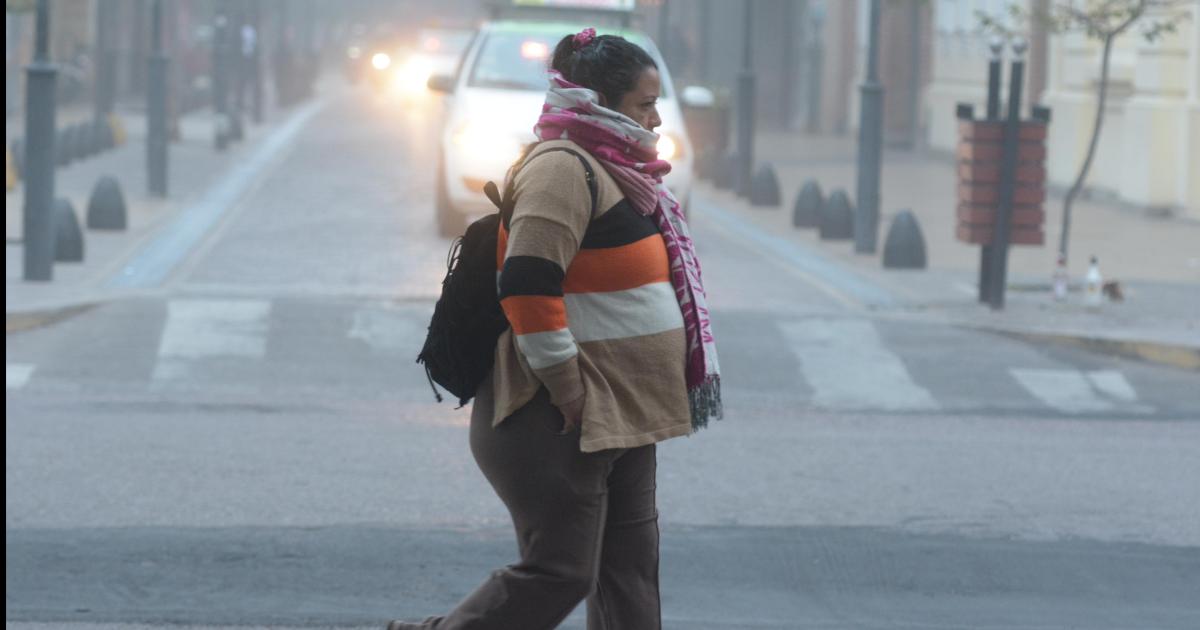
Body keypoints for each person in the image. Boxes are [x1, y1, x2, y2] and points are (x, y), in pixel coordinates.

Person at [389, 27, 721, 630]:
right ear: (596, 100)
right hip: (560, 414)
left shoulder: (627, 171)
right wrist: (568, 389)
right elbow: (527, 286)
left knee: (629, 574)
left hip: (626, 411)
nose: (654, 118)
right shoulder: (563, 169)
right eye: (644, 104)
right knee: (562, 570)